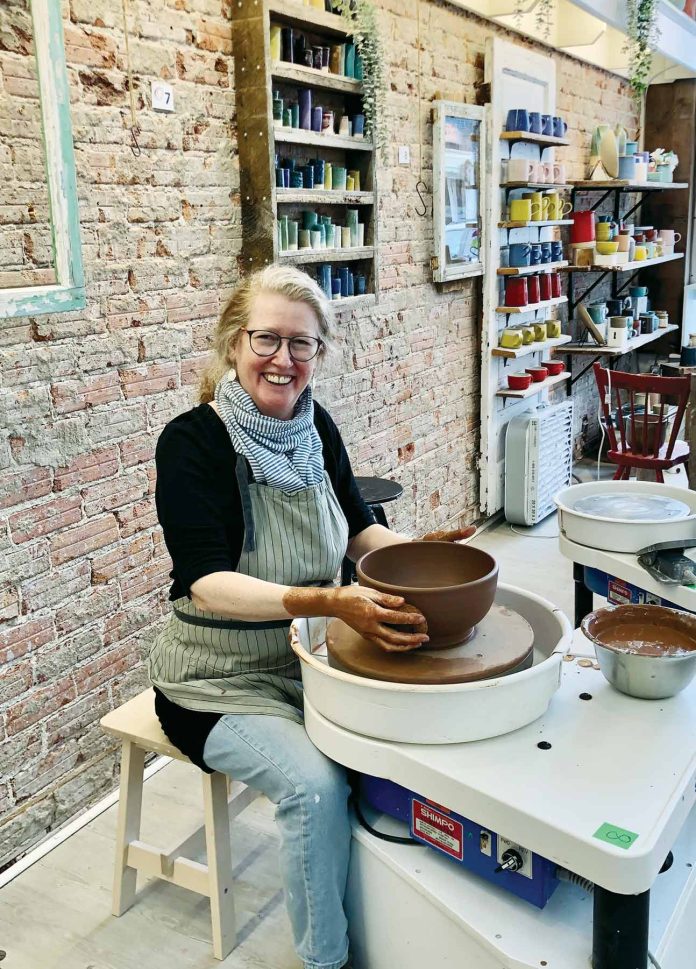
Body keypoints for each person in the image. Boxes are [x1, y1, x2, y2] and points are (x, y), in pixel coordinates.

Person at [149, 265, 475, 969]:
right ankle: (326, 959)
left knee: (396, 739)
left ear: (319, 354)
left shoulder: (315, 425)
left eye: (303, 345)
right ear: (234, 343)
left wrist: (422, 554)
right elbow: (207, 583)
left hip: (304, 658)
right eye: (268, 338)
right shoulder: (192, 442)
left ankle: (402, 926)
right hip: (212, 681)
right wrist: (330, 600)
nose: (283, 359)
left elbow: (361, 534)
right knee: (315, 785)